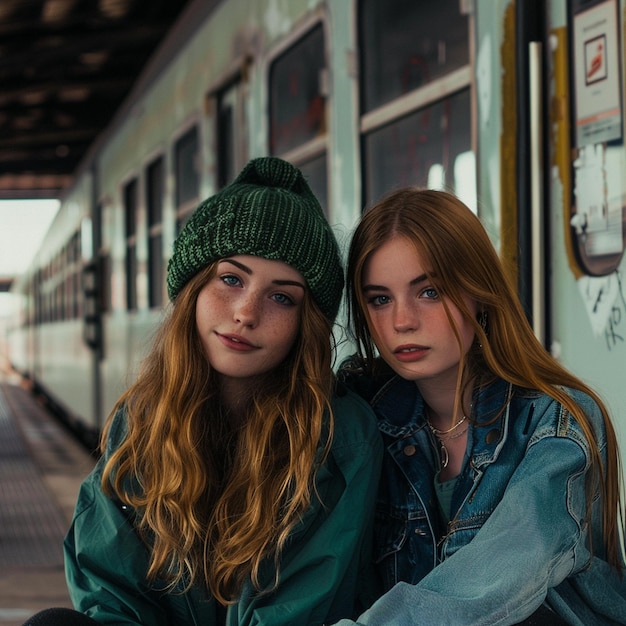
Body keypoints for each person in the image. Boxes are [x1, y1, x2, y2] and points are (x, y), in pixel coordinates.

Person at [24, 157, 382, 626]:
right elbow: (112, 591)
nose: (246, 312)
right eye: (230, 279)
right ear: (194, 289)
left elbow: (294, 612)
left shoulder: (339, 438)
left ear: (304, 324)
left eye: (282, 297)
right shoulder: (143, 419)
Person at [332, 188, 626, 625]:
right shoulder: (360, 418)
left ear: (479, 291)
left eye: (428, 291)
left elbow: (504, 573)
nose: (401, 321)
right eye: (380, 299)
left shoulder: (556, 422)